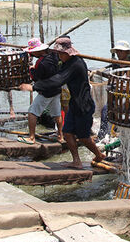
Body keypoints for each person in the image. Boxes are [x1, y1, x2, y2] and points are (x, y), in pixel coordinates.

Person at [19, 37, 105, 169]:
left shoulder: (76, 64)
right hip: (74, 104)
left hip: (84, 105)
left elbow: (58, 80)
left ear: (67, 53)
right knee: (67, 133)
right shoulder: (66, 62)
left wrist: (33, 87)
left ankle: (99, 155)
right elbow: (55, 70)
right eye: (57, 54)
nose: (58, 56)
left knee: (83, 137)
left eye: (60, 54)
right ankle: (76, 161)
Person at [18, 38, 63, 144]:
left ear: (39, 51)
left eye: (33, 51)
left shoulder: (41, 62)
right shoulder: (54, 56)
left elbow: (36, 77)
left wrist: (31, 69)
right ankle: (61, 136)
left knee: (32, 112)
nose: (32, 53)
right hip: (56, 89)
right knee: (56, 114)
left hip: (46, 91)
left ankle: (32, 137)